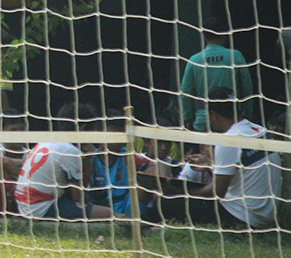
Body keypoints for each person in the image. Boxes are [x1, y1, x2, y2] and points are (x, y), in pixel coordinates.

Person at [148, 87, 281, 229]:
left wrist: (182, 192)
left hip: (241, 217)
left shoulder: (228, 141)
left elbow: (216, 192)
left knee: (164, 203)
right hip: (266, 217)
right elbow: (244, 173)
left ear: (213, 115)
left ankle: (137, 228)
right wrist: (210, 165)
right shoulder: (260, 131)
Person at [14, 102, 112, 221]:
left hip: (26, 205)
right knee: (108, 213)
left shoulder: (48, 141)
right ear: (83, 128)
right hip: (42, 208)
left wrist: (87, 157)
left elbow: (87, 172)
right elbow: (78, 196)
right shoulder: (69, 150)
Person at [87, 111, 172, 218]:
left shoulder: (128, 155)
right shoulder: (90, 159)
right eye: (114, 136)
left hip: (127, 206)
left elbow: (157, 164)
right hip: (99, 209)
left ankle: (155, 212)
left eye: (122, 136)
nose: (119, 141)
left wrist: (156, 184)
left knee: (144, 183)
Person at [180, 17, 253, 132]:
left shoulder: (194, 60)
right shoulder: (236, 56)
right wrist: (247, 113)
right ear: (225, 35)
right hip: (230, 120)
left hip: (203, 121)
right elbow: (247, 88)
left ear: (204, 36)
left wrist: (187, 118)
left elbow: (186, 93)